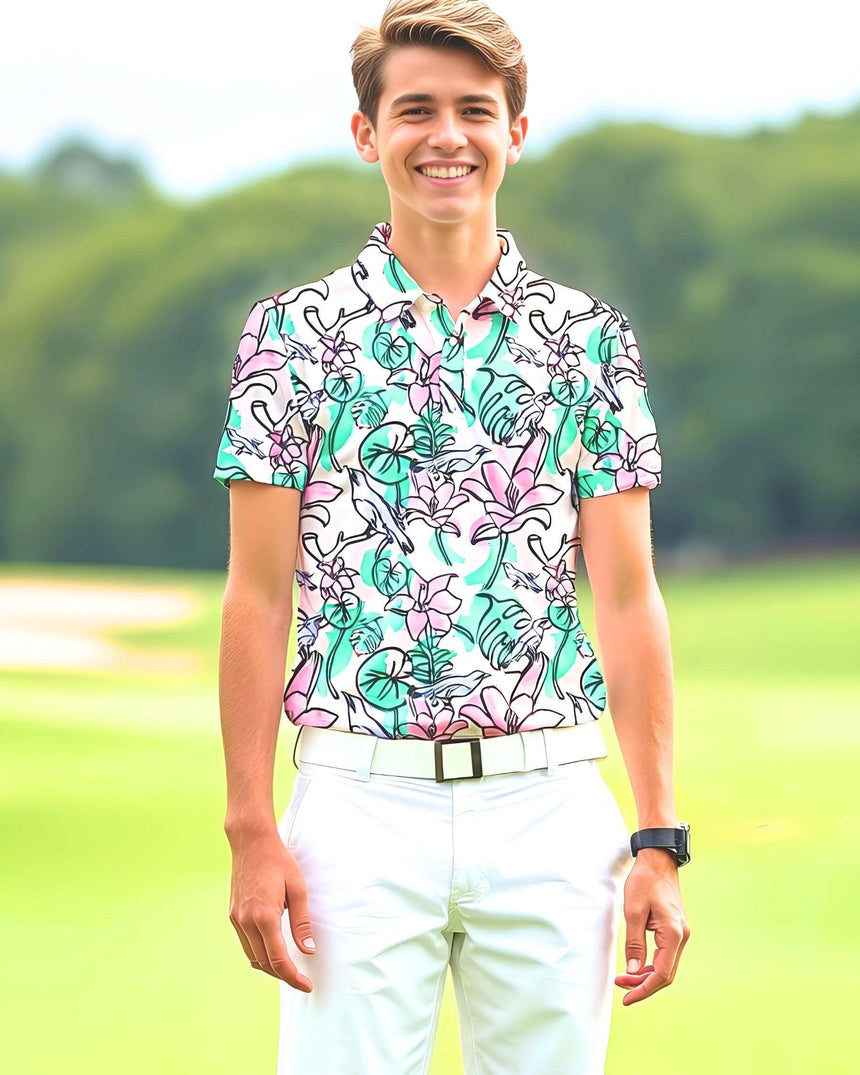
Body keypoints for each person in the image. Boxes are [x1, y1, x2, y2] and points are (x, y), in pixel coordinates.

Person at [213, 1, 691, 1072]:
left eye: (474, 111)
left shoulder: (586, 341)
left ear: (513, 131)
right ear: (364, 133)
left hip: (550, 804)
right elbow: (257, 594)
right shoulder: (292, 336)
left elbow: (624, 596)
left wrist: (657, 835)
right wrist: (252, 827)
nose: (446, 137)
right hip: (352, 806)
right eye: (414, 109)